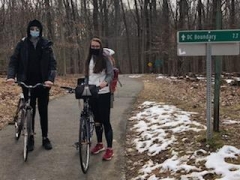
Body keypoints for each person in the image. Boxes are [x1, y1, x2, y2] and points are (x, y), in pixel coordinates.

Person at [6, 19, 57, 151]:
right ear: (28, 30)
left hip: (43, 83)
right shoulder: (22, 44)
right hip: (27, 81)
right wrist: (11, 76)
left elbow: (52, 64)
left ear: (40, 31)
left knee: (43, 110)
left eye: (37, 29)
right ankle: (30, 137)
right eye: (32, 29)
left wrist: (50, 79)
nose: (34, 31)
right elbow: (13, 61)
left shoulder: (46, 45)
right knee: (30, 110)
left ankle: (45, 137)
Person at [85, 37, 114, 160]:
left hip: (103, 93)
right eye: (93, 46)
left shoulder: (105, 58)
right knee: (96, 120)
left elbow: (110, 74)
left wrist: (105, 83)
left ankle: (110, 149)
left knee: (105, 121)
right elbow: (87, 75)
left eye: (97, 47)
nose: (95, 48)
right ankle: (100, 144)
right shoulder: (89, 59)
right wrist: (84, 85)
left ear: (100, 47)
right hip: (92, 92)